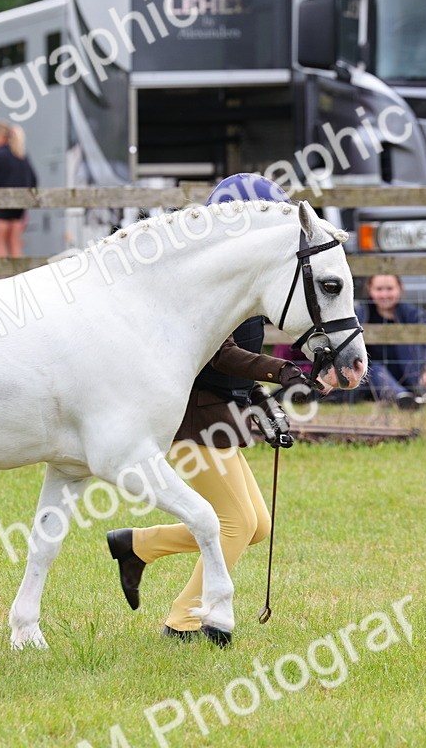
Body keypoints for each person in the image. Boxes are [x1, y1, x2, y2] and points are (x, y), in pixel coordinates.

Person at [105, 173, 315, 643]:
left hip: (222, 413)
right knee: (235, 523)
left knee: (256, 525)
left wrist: (265, 404)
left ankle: (137, 545)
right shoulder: (204, 280)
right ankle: (184, 621)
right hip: (193, 415)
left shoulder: (244, 278)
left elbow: (239, 361)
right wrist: (279, 372)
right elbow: (220, 355)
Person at [340, 274, 426, 409]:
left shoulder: (414, 314)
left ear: (400, 288)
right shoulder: (359, 315)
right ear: (370, 289)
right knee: (373, 368)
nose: (384, 295)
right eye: (379, 289)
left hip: (410, 370)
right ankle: (402, 397)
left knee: (408, 346)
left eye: (389, 289)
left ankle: (423, 391)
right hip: (374, 378)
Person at [0, 121, 37, 258]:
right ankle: (20, 278)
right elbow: (33, 180)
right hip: (19, 211)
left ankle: (4, 277)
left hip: (1, 208)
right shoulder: (21, 155)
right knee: (15, 244)